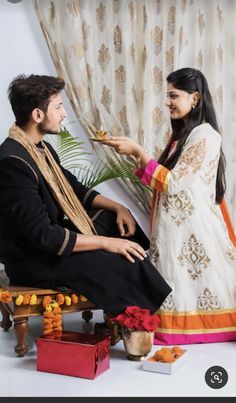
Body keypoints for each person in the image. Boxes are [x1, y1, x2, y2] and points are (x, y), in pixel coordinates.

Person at [0, 74, 171, 342]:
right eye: (57, 107)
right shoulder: (13, 162)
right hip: (35, 258)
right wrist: (105, 244)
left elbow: (76, 190)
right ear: (37, 114)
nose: (64, 113)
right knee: (117, 257)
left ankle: (133, 304)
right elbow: (46, 236)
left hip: (51, 241)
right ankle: (137, 321)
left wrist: (118, 207)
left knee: (118, 226)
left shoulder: (41, 149)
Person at [102, 67, 236, 345]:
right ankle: (170, 328)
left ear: (195, 99)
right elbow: (161, 181)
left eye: (174, 96)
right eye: (167, 96)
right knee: (176, 277)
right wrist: (131, 154)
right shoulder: (182, 136)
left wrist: (139, 152)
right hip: (175, 225)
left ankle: (205, 328)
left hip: (193, 226)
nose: (167, 102)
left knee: (197, 279)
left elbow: (174, 183)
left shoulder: (205, 136)